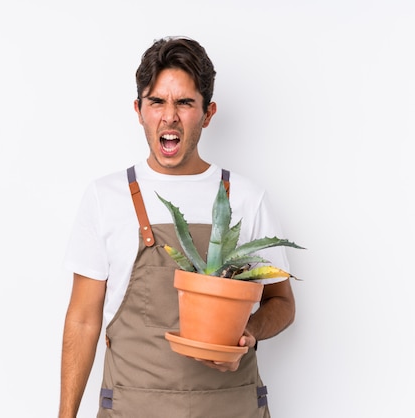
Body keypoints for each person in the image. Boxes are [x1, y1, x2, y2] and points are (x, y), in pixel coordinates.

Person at [59, 36, 296, 418]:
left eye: (185, 102)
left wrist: (249, 332)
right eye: (157, 101)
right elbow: (84, 319)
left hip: (230, 407)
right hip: (133, 408)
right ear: (139, 110)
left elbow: (282, 303)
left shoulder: (247, 198)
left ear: (208, 113)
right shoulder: (105, 196)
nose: (169, 116)